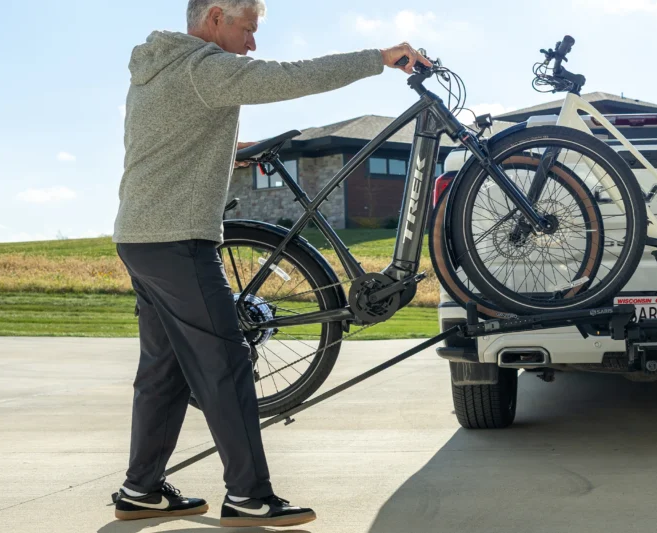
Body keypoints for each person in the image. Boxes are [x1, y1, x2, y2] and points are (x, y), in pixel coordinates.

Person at [111, 0, 430, 528]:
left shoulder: (158, 67)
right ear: (215, 16)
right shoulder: (203, 68)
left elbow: (171, 140)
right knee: (226, 364)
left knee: (164, 372)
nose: (252, 44)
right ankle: (248, 496)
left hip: (140, 239)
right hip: (177, 241)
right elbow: (292, 77)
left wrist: (226, 153)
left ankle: (140, 489)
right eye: (247, 29)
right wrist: (378, 57)